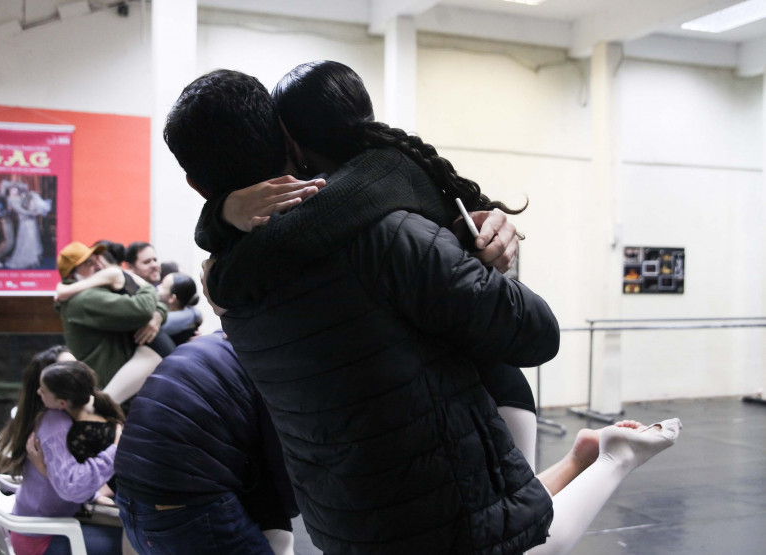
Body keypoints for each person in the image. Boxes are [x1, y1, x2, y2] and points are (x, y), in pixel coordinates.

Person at [164, 69, 682, 554]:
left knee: (526, 528)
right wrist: (479, 259)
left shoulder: (225, 279)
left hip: (345, 517)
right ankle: (612, 456)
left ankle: (606, 455)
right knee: (529, 535)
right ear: (286, 140)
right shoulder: (379, 233)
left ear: (194, 186)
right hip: (443, 499)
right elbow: (537, 334)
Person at [200, 61, 537, 468]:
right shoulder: (389, 166)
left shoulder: (363, 187)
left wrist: (219, 221)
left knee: (536, 527)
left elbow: (268, 255)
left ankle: (605, 457)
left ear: (288, 136)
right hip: (474, 387)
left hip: (493, 390)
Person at [114, 300, 298, 554]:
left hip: (130, 495)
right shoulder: (265, 366)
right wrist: (286, 514)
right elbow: (279, 462)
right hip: (185, 504)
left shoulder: (207, 346)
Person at [0, 346, 122, 555]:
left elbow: (66, 480)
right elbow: (71, 485)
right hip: (40, 537)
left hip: (56, 518)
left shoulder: (68, 416)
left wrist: (92, 494)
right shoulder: (55, 424)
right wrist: (115, 450)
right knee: (136, 539)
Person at [55, 240, 173, 404]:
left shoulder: (89, 292)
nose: (97, 266)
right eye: (88, 263)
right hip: (115, 388)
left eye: (96, 260)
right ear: (71, 273)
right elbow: (143, 309)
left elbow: (152, 308)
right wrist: (139, 282)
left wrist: (158, 314)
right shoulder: (84, 299)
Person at [6, 182, 51, 269]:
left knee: (33, 239)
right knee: (27, 241)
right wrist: (34, 213)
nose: (14, 190)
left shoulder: (21, 195)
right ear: (9, 189)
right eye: (12, 189)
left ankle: (33, 260)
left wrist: (33, 204)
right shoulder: (11, 199)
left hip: (31, 220)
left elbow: (27, 202)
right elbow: (21, 211)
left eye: (16, 188)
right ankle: (28, 260)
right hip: (25, 221)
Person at [156, 272, 203, 345]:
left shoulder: (167, 322)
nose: (158, 287)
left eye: (163, 287)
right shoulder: (193, 315)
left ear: (172, 298)